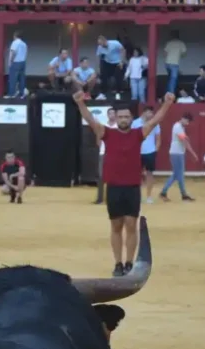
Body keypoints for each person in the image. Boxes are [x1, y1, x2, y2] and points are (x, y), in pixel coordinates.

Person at [74, 90, 174, 277]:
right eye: (120, 116)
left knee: (131, 225)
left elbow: (155, 121)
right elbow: (90, 120)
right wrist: (80, 103)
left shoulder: (138, 133)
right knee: (116, 227)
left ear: (131, 118)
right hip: (114, 188)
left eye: (126, 116)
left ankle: (129, 262)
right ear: (116, 118)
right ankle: (118, 263)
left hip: (132, 187)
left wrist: (167, 103)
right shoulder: (107, 133)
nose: (123, 119)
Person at [159, 112, 199, 202]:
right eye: (187, 121)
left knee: (178, 175)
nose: (187, 123)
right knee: (177, 175)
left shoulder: (179, 127)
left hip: (178, 152)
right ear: (182, 118)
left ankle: (182, 194)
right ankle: (164, 192)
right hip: (176, 153)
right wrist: (192, 153)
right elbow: (184, 141)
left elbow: (184, 139)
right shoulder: (178, 127)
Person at [135, 105, 160, 204]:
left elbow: (158, 138)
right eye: (150, 112)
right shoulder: (135, 123)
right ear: (144, 112)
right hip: (137, 152)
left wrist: (155, 151)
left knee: (149, 174)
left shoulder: (155, 124)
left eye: (152, 113)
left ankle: (149, 196)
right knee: (137, 175)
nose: (151, 115)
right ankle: (138, 195)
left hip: (150, 151)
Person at [95, 107, 116, 205]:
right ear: (107, 115)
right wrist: (101, 147)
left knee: (113, 176)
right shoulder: (103, 125)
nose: (111, 115)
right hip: (103, 152)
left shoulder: (118, 126)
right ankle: (100, 198)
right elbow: (98, 138)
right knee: (101, 175)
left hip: (115, 154)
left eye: (113, 113)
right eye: (110, 113)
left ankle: (110, 198)